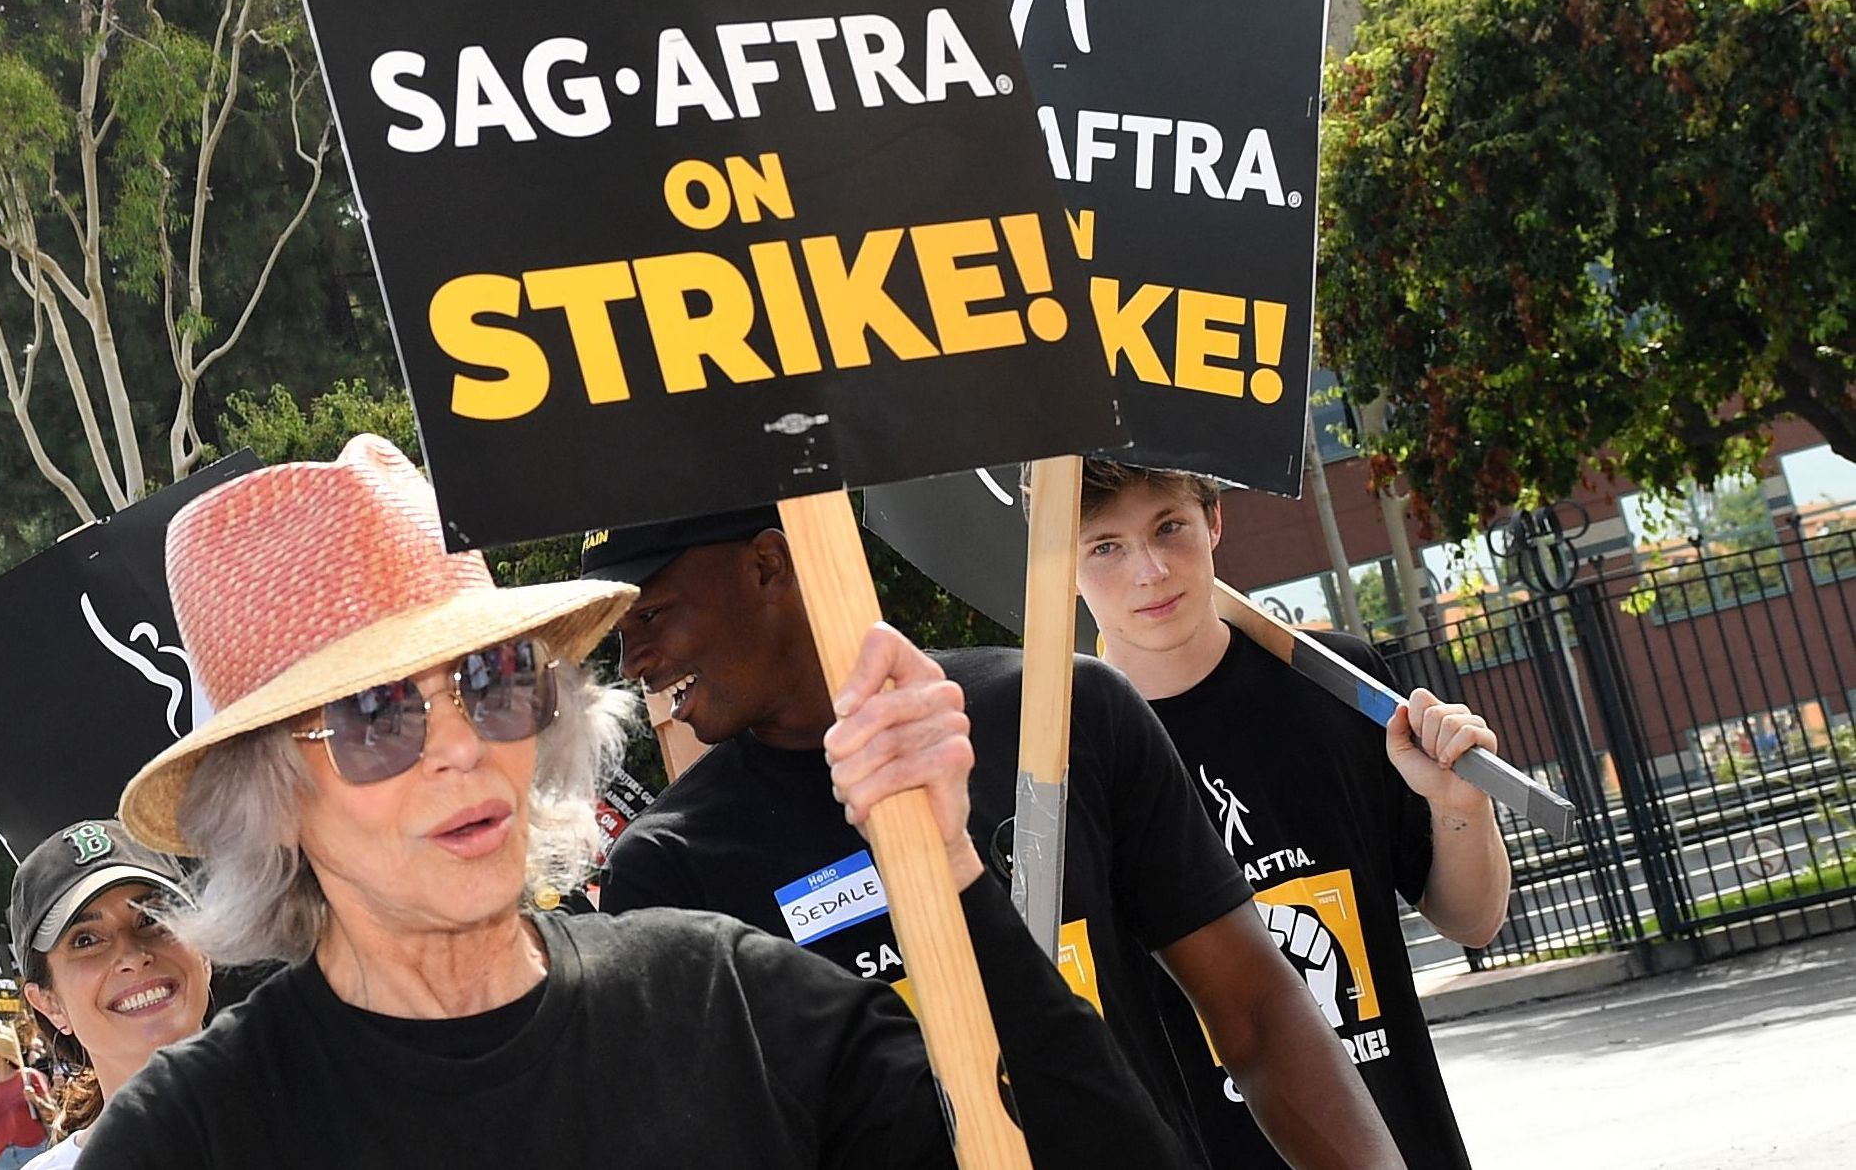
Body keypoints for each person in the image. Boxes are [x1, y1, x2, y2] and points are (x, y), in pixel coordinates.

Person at [79, 434, 1180, 1167]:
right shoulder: (193, 1139)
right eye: (376, 715)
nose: (460, 748)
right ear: (266, 798)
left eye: (491, 682)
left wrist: (949, 871)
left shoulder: (726, 1004)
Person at [586, 507, 1403, 1168]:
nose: (633, 659)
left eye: (648, 614)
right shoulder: (666, 870)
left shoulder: (1064, 711)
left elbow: (1255, 1010)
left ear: (769, 566)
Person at [1073, 459, 1514, 1168]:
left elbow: (1473, 919)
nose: (1150, 569)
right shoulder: (1064, 767)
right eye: (1105, 547)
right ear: (1061, 565)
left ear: (1214, 520)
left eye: (1169, 527)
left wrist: (1458, 805)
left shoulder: (1342, 689)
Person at [8, 820, 212, 1170]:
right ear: (49, 1004)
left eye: (153, 917)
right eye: (86, 940)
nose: (133, 956)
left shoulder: (317, 1112)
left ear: (205, 949)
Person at [0, 1027, 53, 1170]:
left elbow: (52, 1113)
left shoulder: (28, 1077)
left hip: (35, 1150)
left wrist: (36, 1100)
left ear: (1, 1056)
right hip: (5, 1159)